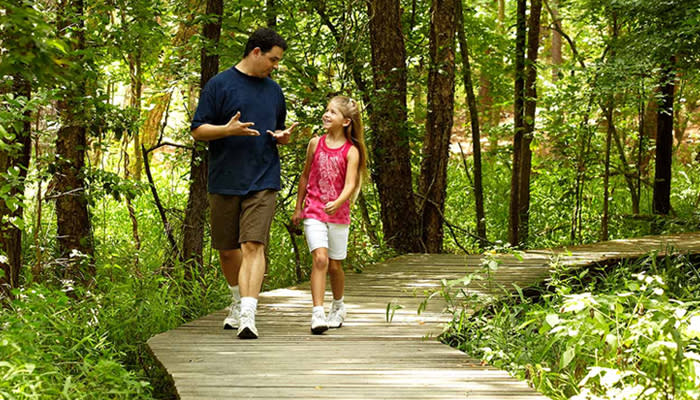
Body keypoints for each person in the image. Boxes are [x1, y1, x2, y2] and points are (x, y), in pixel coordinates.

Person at [190, 27, 297, 340]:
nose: (274, 66)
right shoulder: (220, 85)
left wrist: (282, 138)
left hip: (263, 177)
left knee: (253, 244)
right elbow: (197, 131)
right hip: (225, 179)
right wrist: (227, 130)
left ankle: (249, 315)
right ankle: (237, 301)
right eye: (273, 60)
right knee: (227, 250)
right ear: (255, 52)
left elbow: (275, 129)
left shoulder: (274, 92)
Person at [292, 96, 368, 334]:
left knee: (335, 266)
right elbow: (305, 176)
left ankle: (338, 305)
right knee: (320, 259)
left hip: (338, 214)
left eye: (332, 112)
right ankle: (317, 313)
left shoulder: (351, 151)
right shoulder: (315, 143)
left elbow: (350, 184)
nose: (326, 115)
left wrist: (339, 201)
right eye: (326, 110)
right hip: (314, 210)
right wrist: (298, 207)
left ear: (346, 122)